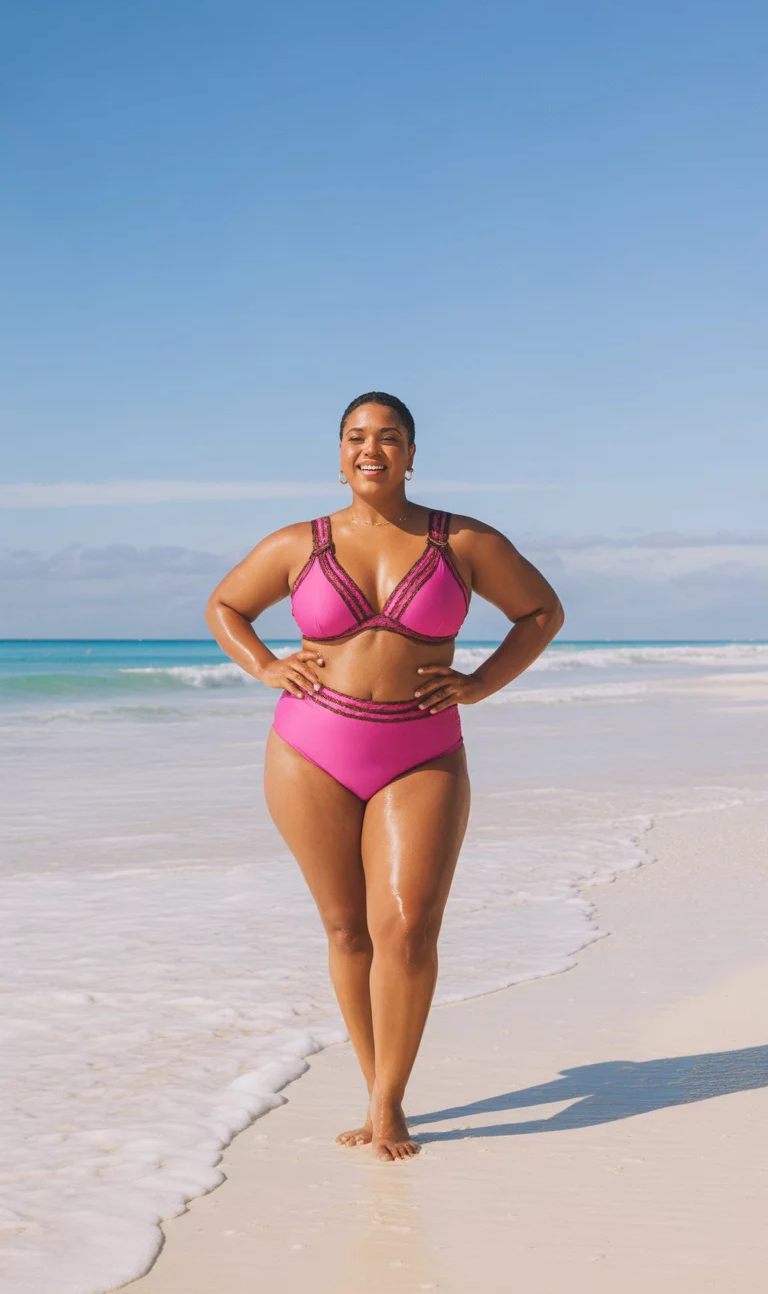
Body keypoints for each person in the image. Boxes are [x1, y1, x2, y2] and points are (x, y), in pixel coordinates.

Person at [205, 392, 564, 1161]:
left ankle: (390, 1103)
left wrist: (479, 683)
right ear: (338, 454)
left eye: (389, 437)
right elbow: (227, 606)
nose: (372, 449)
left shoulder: (462, 541)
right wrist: (265, 664)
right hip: (309, 750)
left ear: (410, 453)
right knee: (344, 926)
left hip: (422, 748)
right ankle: (375, 1093)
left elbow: (540, 614)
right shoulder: (297, 542)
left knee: (406, 926)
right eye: (357, 437)